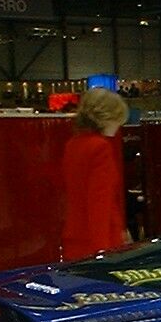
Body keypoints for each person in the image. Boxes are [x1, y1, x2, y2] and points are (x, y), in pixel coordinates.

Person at [61, 87, 129, 261]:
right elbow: (100, 202)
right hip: (101, 239)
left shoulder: (73, 144)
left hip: (75, 237)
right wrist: (103, 251)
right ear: (106, 118)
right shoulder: (101, 148)